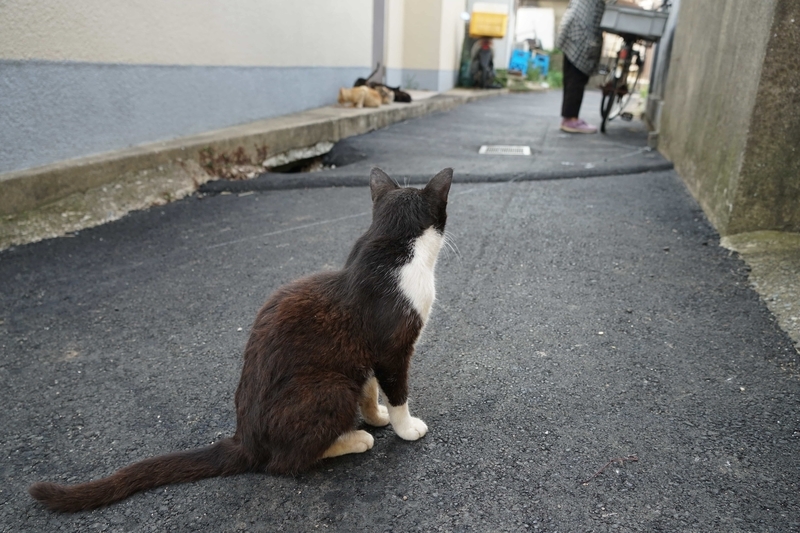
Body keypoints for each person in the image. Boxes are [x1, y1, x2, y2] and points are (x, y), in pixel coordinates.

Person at [556, 0, 606, 134]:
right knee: (577, 75)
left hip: (574, 24)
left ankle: (570, 117)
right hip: (582, 28)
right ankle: (570, 120)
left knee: (571, 73)